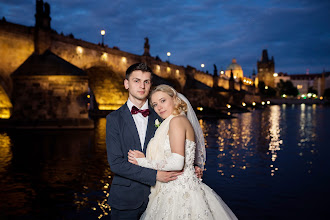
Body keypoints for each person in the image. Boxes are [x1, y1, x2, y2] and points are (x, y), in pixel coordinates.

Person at [106, 63, 202, 219]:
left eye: (146, 81)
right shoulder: (113, 119)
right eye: (136, 81)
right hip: (127, 199)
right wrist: (154, 175)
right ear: (126, 84)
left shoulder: (163, 115)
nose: (142, 86)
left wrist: (192, 166)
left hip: (162, 195)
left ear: (150, 85)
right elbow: (116, 164)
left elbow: (180, 144)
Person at [128, 84, 238, 219]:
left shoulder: (176, 121)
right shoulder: (176, 120)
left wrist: (142, 162)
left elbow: (177, 163)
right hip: (174, 186)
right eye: (155, 104)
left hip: (178, 191)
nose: (159, 107)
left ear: (174, 99)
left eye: (163, 101)